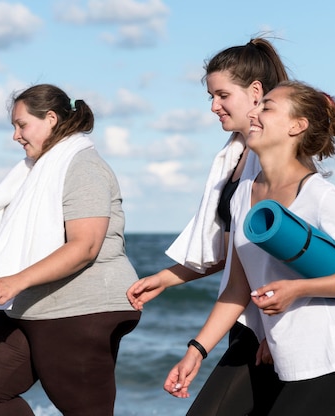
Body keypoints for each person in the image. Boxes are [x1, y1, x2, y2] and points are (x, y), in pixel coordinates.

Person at [164, 80, 335, 416]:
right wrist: (196, 350)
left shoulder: (316, 194)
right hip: (282, 355)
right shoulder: (243, 194)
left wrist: (298, 289)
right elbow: (237, 289)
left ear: (297, 126)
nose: (254, 112)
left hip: (328, 361)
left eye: (266, 107)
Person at [126, 37, 287, 415]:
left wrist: (274, 330)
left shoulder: (273, 158)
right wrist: (165, 279)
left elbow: (289, 254)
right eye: (211, 97)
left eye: (222, 95)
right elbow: (234, 256)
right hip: (249, 321)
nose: (214, 106)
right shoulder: (235, 157)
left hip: (272, 324)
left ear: (255, 92)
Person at [0, 84, 141, 416]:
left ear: (52, 119)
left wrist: (16, 280)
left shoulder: (82, 166)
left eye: (22, 124)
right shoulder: (39, 170)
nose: (16, 136)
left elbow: (85, 246)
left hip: (83, 306)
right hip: (34, 305)